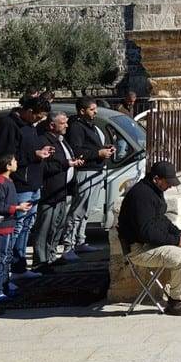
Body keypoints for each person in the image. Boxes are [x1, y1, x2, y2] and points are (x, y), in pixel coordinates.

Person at [118, 160, 181, 316]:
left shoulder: (154, 191)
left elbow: (160, 219)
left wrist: (178, 233)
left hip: (149, 243)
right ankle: (174, 302)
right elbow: (146, 232)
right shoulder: (141, 196)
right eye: (168, 182)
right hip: (138, 249)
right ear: (156, 179)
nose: (170, 186)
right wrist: (175, 241)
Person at [0, 96, 53, 279]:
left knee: (26, 226)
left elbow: (29, 148)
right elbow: (5, 157)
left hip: (33, 182)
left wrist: (42, 151)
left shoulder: (29, 126)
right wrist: (33, 155)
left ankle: (19, 266)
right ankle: (5, 273)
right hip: (19, 184)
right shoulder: (8, 124)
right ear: (29, 111)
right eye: (38, 116)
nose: (39, 120)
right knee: (16, 227)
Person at [64, 97, 116, 256]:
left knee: (87, 210)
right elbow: (77, 150)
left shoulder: (90, 125)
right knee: (78, 210)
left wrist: (104, 149)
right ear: (82, 111)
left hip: (96, 170)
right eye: (92, 109)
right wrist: (98, 153)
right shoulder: (76, 127)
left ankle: (80, 240)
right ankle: (68, 245)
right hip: (86, 171)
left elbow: (90, 147)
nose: (95, 112)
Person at [31, 112, 83, 267]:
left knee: (57, 227)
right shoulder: (43, 141)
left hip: (62, 191)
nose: (66, 125)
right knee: (45, 229)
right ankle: (41, 261)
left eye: (66, 122)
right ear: (52, 125)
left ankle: (51, 256)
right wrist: (66, 164)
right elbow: (44, 167)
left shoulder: (61, 140)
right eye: (62, 123)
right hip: (50, 192)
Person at [0, 153, 32, 307]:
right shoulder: (0, 182)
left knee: (7, 257)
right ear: (7, 166)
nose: (16, 162)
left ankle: (5, 287)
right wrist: (17, 208)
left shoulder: (8, 181)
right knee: (0, 259)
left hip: (8, 226)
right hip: (0, 228)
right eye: (14, 161)